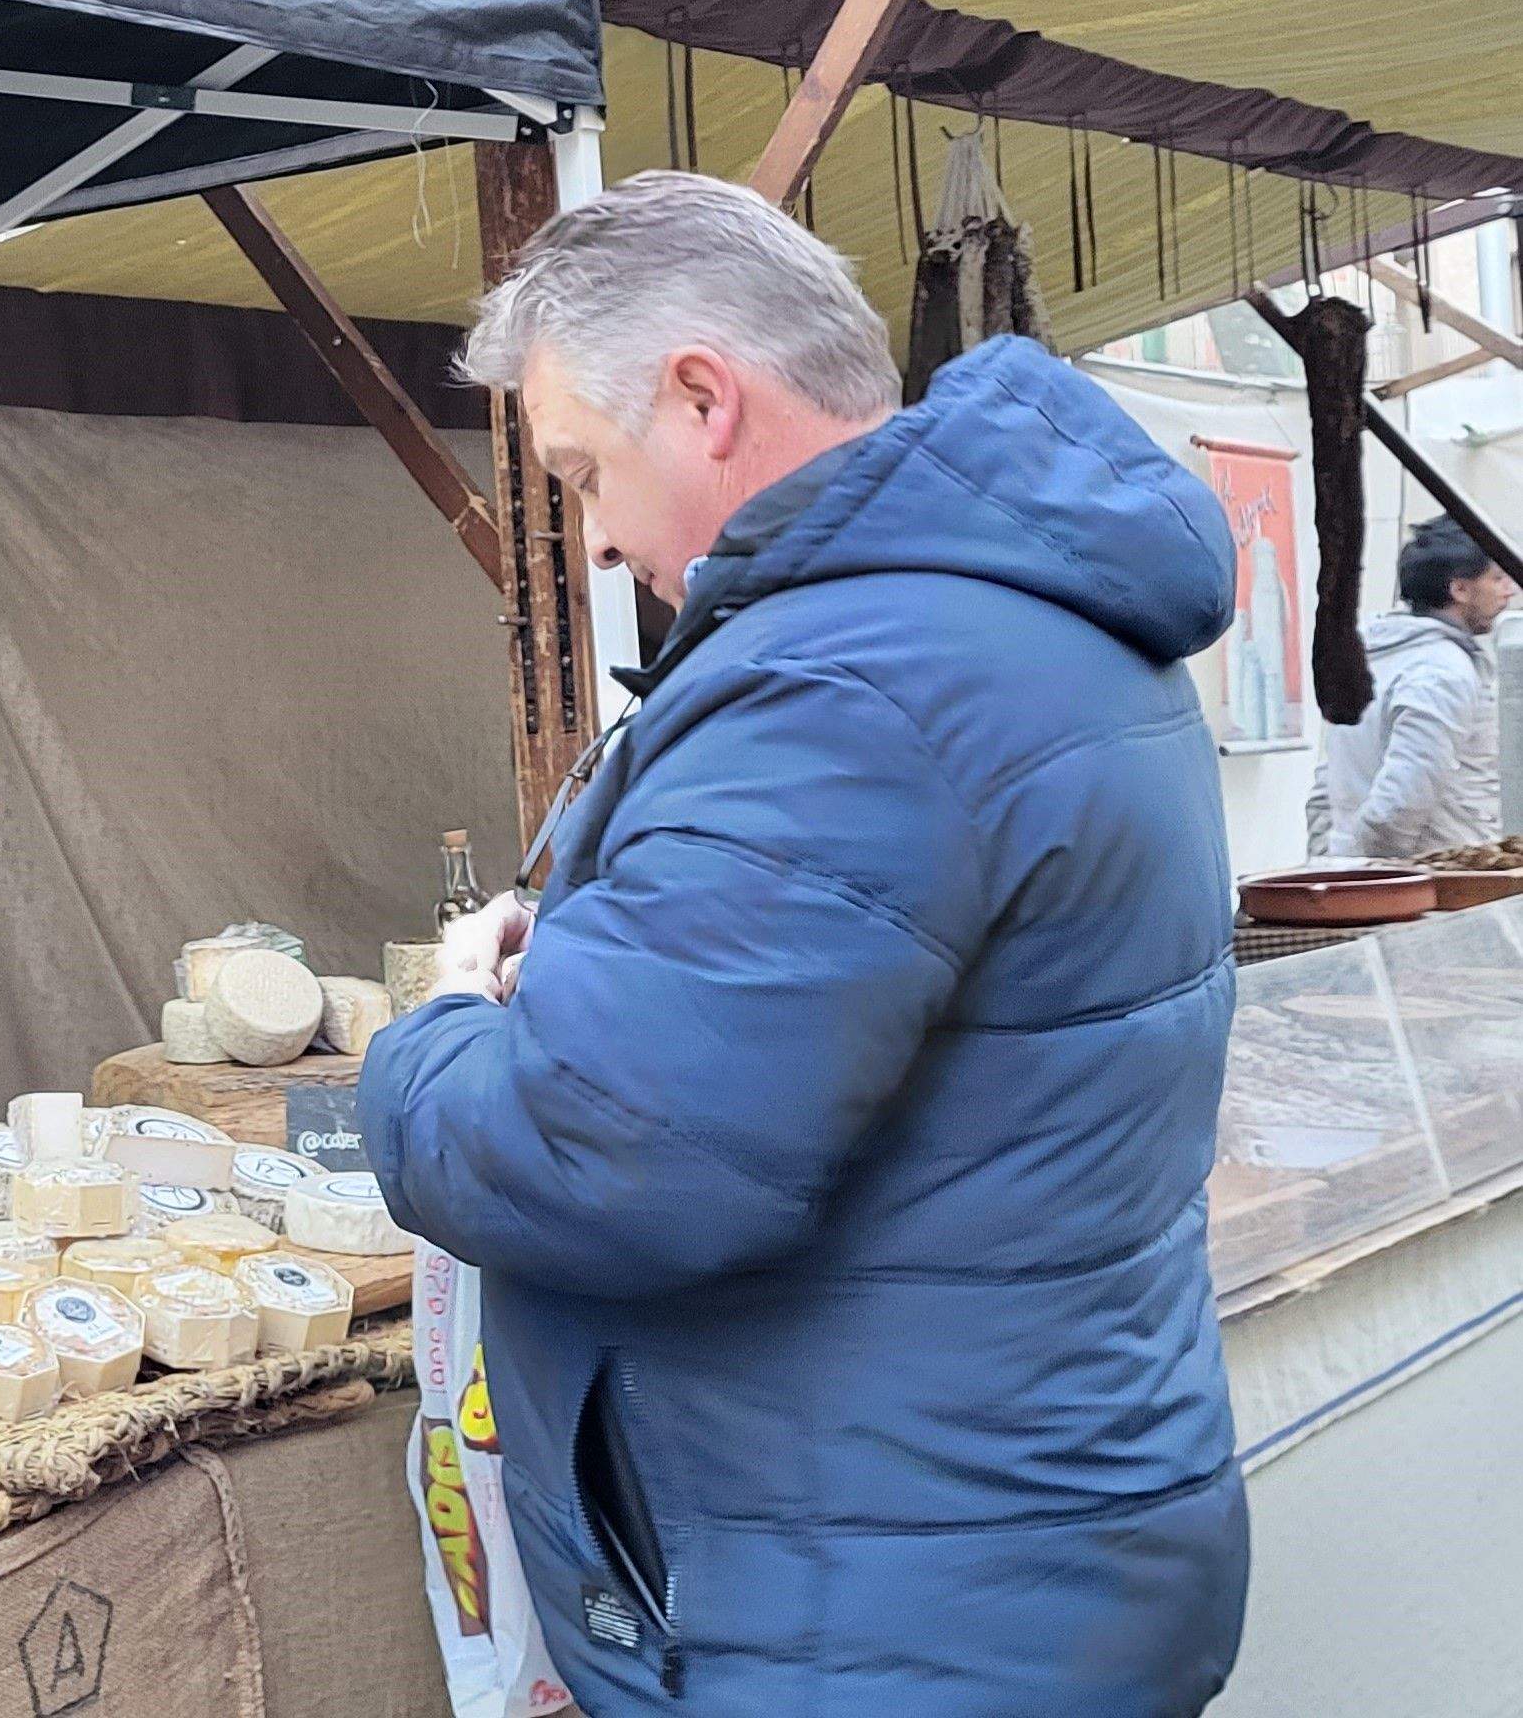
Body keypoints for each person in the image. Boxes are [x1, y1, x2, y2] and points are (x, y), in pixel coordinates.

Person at [360, 172, 1246, 1713]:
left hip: (882, 1615)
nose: (595, 535)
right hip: (997, 1542)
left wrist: (438, 1027)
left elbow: (602, 1160)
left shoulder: (845, 681)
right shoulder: (1007, 614)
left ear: (701, 397)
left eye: (579, 473)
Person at [1309, 515, 1510, 859]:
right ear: (1459, 589)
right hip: (1426, 885)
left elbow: (1325, 788)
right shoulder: (1442, 670)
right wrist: (1363, 872)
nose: (1508, 590)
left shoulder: (1371, 655)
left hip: (1363, 875)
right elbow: (1405, 796)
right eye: (1496, 578)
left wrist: (1328, 864)